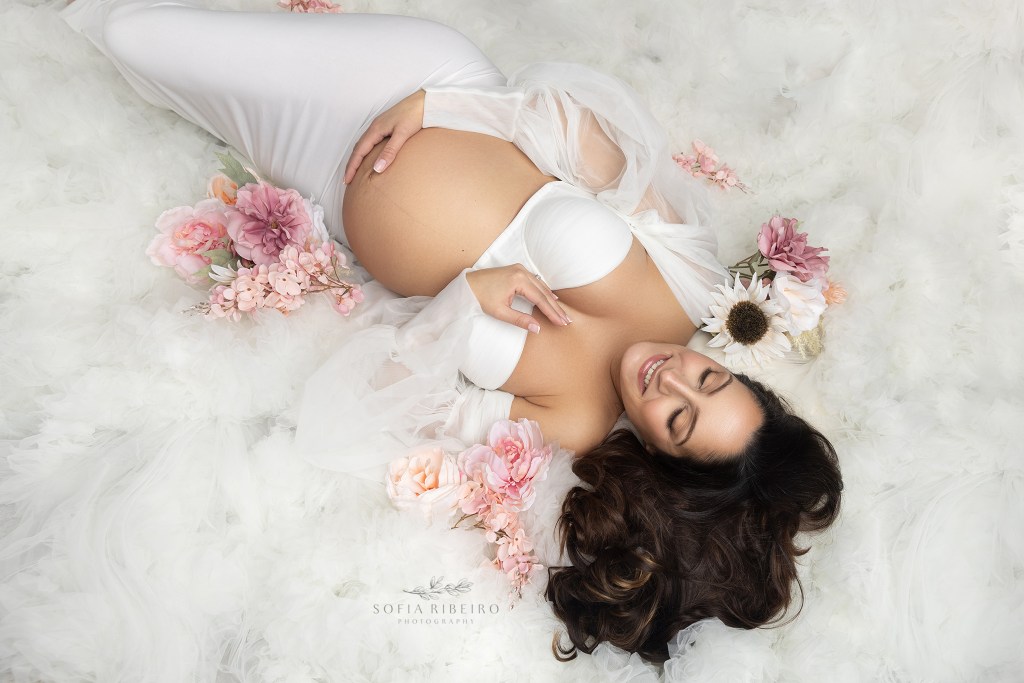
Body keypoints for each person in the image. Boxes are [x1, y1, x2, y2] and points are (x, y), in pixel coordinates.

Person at [60, 0, 842, 664]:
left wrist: (466, 301)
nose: (671, 378)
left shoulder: (567, 421)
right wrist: (441, 109)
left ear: (663, 459)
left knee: (155, 58)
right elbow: (583, 132)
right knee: (138, 30)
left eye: (678, 418)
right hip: (419, 85)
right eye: (711, 381)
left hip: (321, 172)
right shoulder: (690, 286)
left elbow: (374, 398)